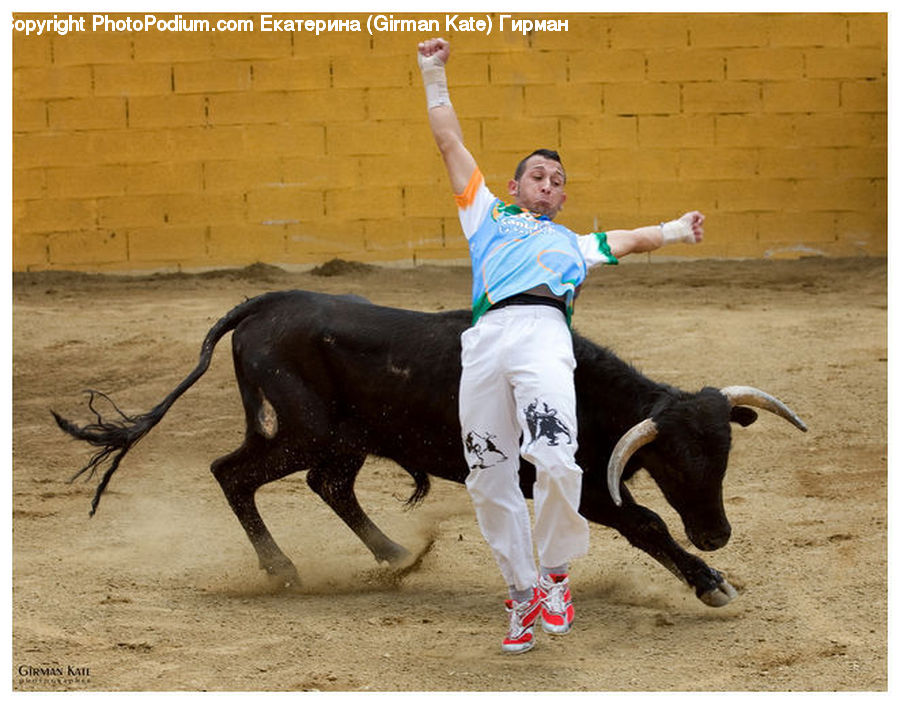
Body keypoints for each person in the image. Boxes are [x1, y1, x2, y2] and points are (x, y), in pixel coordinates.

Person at [416, 37, 704, 654]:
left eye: (558, 181)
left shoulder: (574, 243)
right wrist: (432, 73)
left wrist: (675, 231)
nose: (547, 185)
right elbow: (448, 142)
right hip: (486, 339)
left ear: (563, 199)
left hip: (546, 335)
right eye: (537, 177)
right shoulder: (485, 214)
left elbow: (627, 240)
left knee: (555, 458)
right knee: (488, 475)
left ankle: (554, 576)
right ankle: (521, 595)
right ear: (517, 187)